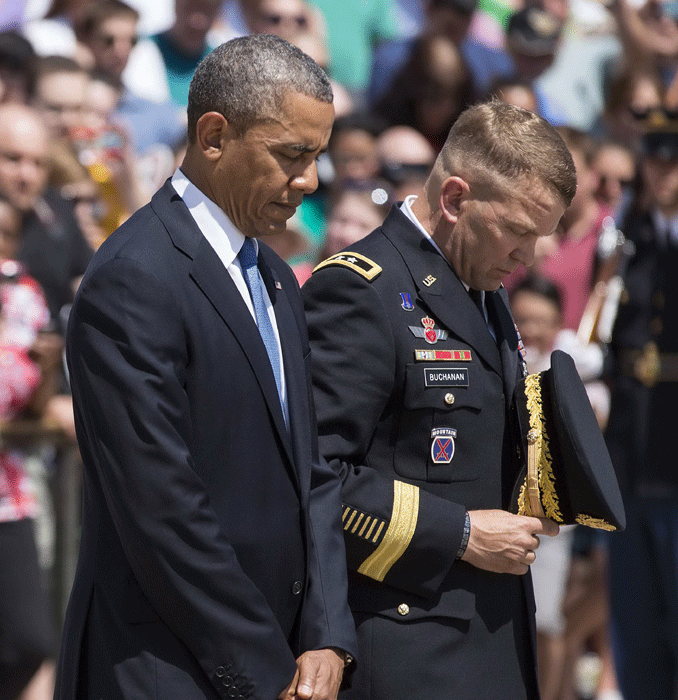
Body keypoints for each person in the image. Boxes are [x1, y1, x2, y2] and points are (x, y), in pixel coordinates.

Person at [53, 34, 356, 700]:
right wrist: (267, 671)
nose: (308, 181)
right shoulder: (135, 278)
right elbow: (163, 511)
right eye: (290, 155)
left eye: (317, 157)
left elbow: (313, 472)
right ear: (214, 135)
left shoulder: (274, 277)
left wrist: (329, 635)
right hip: (167, 668)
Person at [302, 99, 575, 699]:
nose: (527, 258)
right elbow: (316, 477)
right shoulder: (359, 290)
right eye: (519, 232)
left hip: (491, 641)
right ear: (454, 199)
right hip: (408, 650)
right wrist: (461, 533)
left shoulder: (483, 284)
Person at [603, 106, 678, 700]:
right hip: (629, 463)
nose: (663, 168)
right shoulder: (632, 242)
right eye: (653, 155)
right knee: (639, 637)